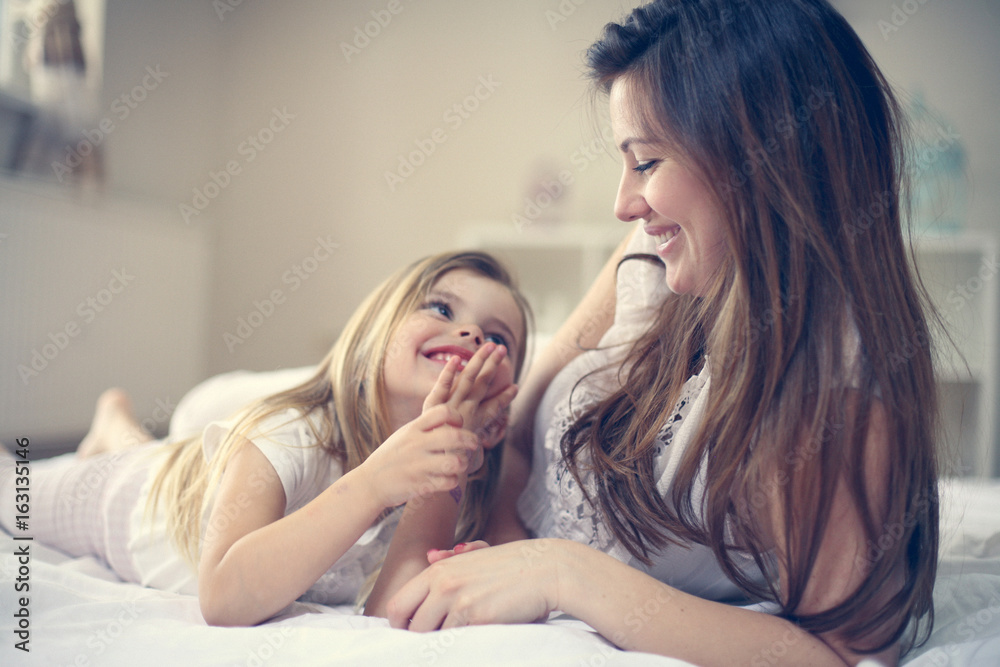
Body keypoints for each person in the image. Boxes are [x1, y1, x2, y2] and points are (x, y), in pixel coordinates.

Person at [385, 2, 940, 665]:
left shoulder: (836, 397)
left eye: (645, 162)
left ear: (758, 158)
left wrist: (562, 574)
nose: (625, 203)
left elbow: (838, 656)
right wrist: (504, 544)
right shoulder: (651, 261)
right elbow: (521, 425)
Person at [0, 250, 530, 626]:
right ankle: (114, 431)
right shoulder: (293, 433)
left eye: (498, 338)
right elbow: (225, 599)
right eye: (441, 308)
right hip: (138, 502)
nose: (471, 334)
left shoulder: (466, 484)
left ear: (501, 415)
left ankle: (116, 427)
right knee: (12, 490)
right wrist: (375, 485)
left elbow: (390, 609)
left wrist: (444, 459)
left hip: (186, 477)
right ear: (375, 334)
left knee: (141, 449)